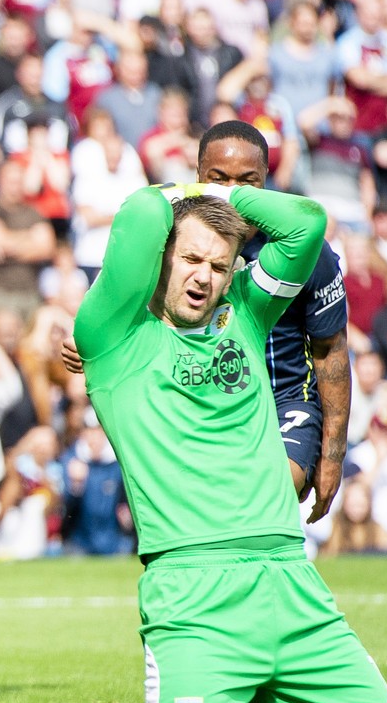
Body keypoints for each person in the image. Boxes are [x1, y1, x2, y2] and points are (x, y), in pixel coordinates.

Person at [19, 181, 387, 703]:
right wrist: (193, 194)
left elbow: (306, 223)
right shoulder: (110, 335)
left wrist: (220, 196)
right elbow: (142, 211)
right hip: (192, 591)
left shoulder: (247, 314)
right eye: (189, 258)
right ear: (160, 259)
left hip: (289, 581)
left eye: (218, 264)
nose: (203, 277)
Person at [65, 120, 351, 523]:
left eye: (247, 183)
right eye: (218, 180)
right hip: (201, 396)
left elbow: (330, 349)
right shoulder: (169, 239)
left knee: (272, 491)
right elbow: (119, 306)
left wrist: (333, 455)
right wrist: (90, 344)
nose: (232, 194)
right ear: (197, 177)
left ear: (266, 180)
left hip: (284, 400)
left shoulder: (304, 252)